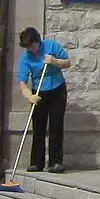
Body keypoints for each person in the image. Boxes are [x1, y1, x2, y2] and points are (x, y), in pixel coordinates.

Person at [16, 26, 71, 173]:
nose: (31, 50)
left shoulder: (51, 46)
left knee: (56, 124)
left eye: (32, 46)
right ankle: (36, 162)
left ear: (37, 41)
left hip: (57, 89)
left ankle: (56, 162)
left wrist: (54, 61)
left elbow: (67, 62)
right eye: (27, 47)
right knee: (39, 126)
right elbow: (22, 81)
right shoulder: (26, 57)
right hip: (39, 92)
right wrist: (29, 95)